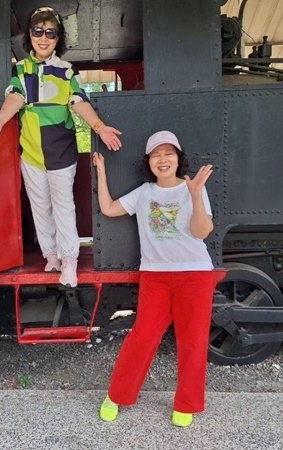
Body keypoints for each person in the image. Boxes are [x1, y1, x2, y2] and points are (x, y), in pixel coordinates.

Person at [0, 6, 122, 288]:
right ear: (30, 35)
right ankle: (51, 255)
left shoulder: (66, 70)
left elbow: (79, 101)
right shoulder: (20, 69)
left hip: (61, 150)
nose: (44, 38)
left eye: (51, 33)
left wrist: (99, 126)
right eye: (38, 32)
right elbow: (17, 97)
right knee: (40, 206)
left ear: (59, 38)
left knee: (63, 207)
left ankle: (69, 261)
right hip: (31, 151)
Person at [93, 130, 217, 428]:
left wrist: (197, 196)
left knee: (193, 341)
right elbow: (108, 209)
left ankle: (187, 403)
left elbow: (202, 232)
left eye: (168, 153)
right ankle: (117, 395)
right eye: (156, 155)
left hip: (195, 274)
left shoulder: (192, 187)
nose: (163, 159)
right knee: (143, 336)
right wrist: (101, 172)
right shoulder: (145, 192)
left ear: (178, 158)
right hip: (156, 276)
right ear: (149, 162)